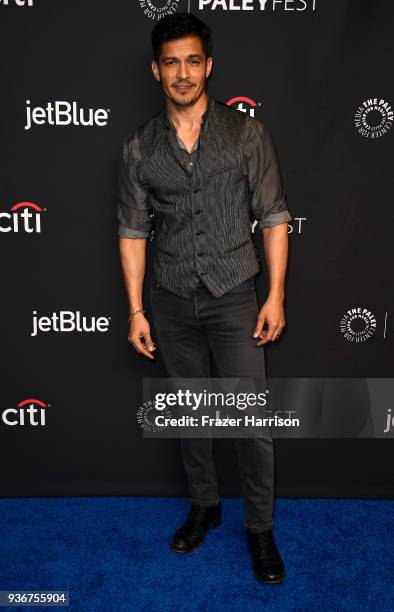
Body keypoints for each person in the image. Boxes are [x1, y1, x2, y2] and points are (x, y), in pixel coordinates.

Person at [116, 12, 292, 585]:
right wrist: (137, 309)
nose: (183, 73)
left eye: (193, 61)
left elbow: (273, 218)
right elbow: (133, 233)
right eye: (171, 62)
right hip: (170, 299)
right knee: (190, 416)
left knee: (251, 422)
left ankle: (259, 528)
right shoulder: (140, 148)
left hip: (235, 295)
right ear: (155, 70)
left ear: (209, 66)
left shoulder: (246, 134)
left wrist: (276, 296)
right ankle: (206, 506)